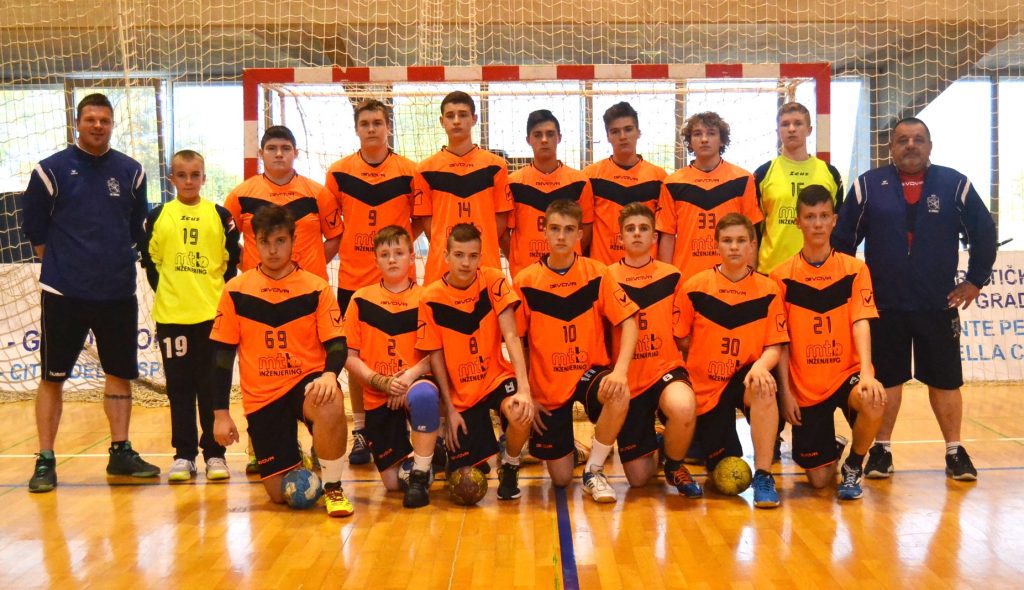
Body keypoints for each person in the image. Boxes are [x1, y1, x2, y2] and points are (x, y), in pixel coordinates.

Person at [833, 117, 997, 481]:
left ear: (929, 146)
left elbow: (984, 233)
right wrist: (849, 290)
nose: (911, 145)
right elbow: (842, 241)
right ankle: (881, 450)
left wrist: (975, 281)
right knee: (886, 380)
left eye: (918, 139)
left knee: (946, 381)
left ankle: (955, 451)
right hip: (884, 305)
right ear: (891, 147)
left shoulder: (955, 184)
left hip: (937, 304)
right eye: (903, 140)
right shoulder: (868, 186)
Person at [21, 93, 159, 492]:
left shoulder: (131, 171)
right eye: (90, 119)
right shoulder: (50, 170)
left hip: (117, 292)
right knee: (52, 377)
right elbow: (36, 231)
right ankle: (45, 459)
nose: (98, 125)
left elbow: (137, 228)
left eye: (104, 120)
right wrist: (69, 266)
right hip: (64, 293)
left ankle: (120, 452)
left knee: (119, 374)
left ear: (112, 125)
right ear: (77, 123)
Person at [210, 205, 353, 517]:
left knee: (330, 400)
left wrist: (330, 375)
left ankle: (333, 487)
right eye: (265, 242)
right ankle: (293, 456)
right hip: (263, 396)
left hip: (305, 382)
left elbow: (337, 343)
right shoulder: (236, 291)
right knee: (280, 495)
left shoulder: (316, 287)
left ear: (293, 241)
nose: (272, 250)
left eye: (280, 241)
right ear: (254, 243)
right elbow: (221, 357)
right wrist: (221, 414)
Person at [513, 199, 640, 503]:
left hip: (588, 373)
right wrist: (528, 390)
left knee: (619, 393)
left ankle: (594, 470)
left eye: (569, 229)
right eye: (555, 228)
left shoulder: (597, 273)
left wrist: (620, 371)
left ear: (580, 235)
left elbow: (630, 322)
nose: (561, 236)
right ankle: (576, 451)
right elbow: (518, 340)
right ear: (544, 231)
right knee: (560, 479)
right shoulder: (525, 280)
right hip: (548, 385)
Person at [771, 185, 885, 500]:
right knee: (819, 481)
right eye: (810, 217)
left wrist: (866, 372)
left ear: (834, 220)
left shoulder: (855, 269)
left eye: (824, 216)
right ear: (798, 222)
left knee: (874, 399)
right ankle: (830, 446)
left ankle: (854, 464)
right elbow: (781, 341)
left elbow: (861, 321)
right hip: (806, 386)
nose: (818, 224)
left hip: (845, 373)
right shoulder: (780, 277)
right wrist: (786, 392)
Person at [325, 99, 419, 466]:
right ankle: (362, 431)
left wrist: (395, 251)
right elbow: (332, 223)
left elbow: (419, 219)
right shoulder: (338, 173)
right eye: (365, 123)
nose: (371, 129)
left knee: (407, 351)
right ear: (356, 129)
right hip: (353, 279)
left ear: (388, 127)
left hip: (400, 283)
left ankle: (413, 422)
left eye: (378, 123)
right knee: (357, 357)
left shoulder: (409, 171)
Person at [675, 213, 788, 508]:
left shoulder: (768, 289)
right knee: (724, 471)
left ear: (752, 245)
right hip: (707, 390)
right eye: (727, 241)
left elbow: (775, 345)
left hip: (746, 376)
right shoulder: (695, 287)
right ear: (716, 245)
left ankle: (764, 475)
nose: (734, 247)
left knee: (765, 386)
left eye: (741, 240)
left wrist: (760, 366)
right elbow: (681, 340)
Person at [415, 223, 534, 501]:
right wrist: (450, 409)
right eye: (459, 255)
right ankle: (454, 455)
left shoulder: (493, 281)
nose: (466, 263)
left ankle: (510, 465)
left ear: (481, 257)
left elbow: (511, 335)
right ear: (446, 256)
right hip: (462, 394)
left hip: (495, 378)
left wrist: (524, 389)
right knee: (464, 480)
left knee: (520, 411)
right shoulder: (431, 297)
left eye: (472, 256)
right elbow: (435, 356)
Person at [140, 149, 240, 482]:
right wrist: (172, 293)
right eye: (181, 175)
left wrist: (212, 298)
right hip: (172, 318)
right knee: (179, 388)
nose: (188, 181)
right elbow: (151, 263)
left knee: (211, 388)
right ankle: (184, 455)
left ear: (204, 178)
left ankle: (215, 454)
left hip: (211, 319)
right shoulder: (158, 216)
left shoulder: (220, 216)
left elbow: (230, 264)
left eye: (195, 175)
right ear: (171, 179)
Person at [608, 203, 700, 497]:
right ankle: (660, 443)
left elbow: (683, 332)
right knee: (639, 480)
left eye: (643, 228)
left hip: (664, 370)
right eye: (630, 229)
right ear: (621, 237)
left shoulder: (672, 276)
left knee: (683, 406)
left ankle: (674, 465)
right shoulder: (605, 277)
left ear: (654, 237)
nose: (637, 234)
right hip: (628, 381)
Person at [344, 226, 440, 508]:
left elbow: (437, 353)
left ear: (412, 257)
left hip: (416, 382)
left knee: (424, 396)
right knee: (393, 484)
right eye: (385, 254)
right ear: (375, 260)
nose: (392, 259)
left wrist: (407, 379)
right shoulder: (360, 299)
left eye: (399, 253)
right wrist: (381, 382)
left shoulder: (427, 298)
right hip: (378, 392)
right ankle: (427, 455)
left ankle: (421, 471)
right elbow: (349, 356)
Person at [413, 92, 511, 284]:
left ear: (474, 119)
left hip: (485, 267)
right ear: (442, 121)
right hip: (441, 270)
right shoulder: (425, 170)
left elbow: (501, 219)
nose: (456, 121)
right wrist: (451, 247)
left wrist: (478, 244)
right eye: (450, 116)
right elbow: (429, 225)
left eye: (463, 115)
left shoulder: (496, 166)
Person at [224, 125, 342, 281]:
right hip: (259, 286)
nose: (279, 154)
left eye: (286, 148)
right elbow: (225, 239)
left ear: (295, 153)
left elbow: (336, 236)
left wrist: (313, 265)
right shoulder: (240, 196)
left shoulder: (318, 194)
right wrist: (248, 265)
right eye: (271, 148)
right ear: (261, 154)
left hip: (307, 286)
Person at [658, 111, 763, 280]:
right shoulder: (672, 183)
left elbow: (751, 234)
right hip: (687, 279)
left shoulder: (743, 179)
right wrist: (666, 280)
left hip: (732, 279)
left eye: (711, 133)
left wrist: (749, 276)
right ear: (690, 141)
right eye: (697, 134)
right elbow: (668, 235)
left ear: (722, 140)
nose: (704, 139)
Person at [753, 102, 844, 274]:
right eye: (785, 124)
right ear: (778, 132)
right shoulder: (763, 174)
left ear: (809, 130)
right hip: (772, 271)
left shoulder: (830, 174)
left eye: (798, 123)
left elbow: (838, 226)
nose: (791, 129)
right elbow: (754, 229)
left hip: (818, 271)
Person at [504, 109, 594, 277]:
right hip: (527, 274)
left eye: (550, 134)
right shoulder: (514, 182)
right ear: (528, 140)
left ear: (559, 137)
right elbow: (503, 233)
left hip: (570, 273)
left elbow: (587, 230)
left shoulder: (579, 182)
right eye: (537, 135)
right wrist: (518, 260)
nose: (544, 140)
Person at [584, 102, 666, 265]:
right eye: (615, 131)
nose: (622, 136)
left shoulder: (659, 178)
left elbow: (665, 232)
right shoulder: (590, 176)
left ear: (638, 132)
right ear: (608, 136)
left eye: (628, 129)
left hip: (646, 271)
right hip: (604, 270)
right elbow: (584, 228)